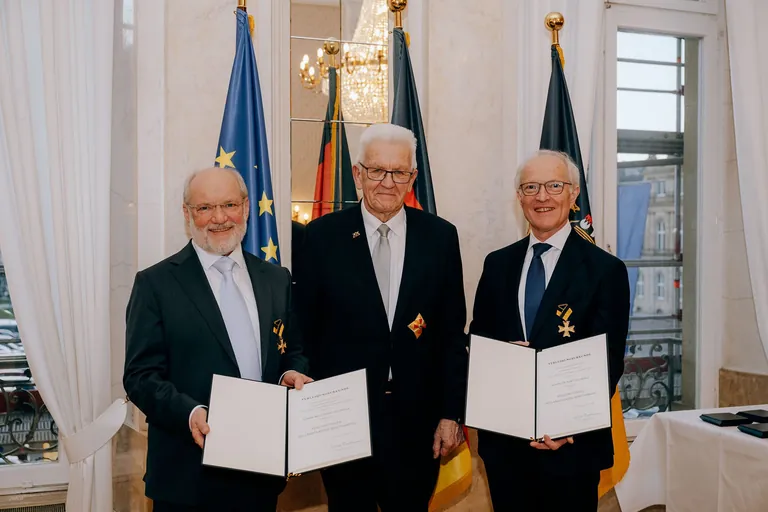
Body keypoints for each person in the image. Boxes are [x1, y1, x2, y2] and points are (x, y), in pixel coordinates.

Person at [298, 123, 468, 511]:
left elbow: (450, 335)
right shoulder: (321, 237)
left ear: (413, 177)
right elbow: (304, 331)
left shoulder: (441, 237)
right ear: (358, 173)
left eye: (399, 172)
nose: (387, 182)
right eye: (377, 170)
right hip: (343, 420)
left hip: (417, 422)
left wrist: (450, 413)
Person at [123, 167, 311, 511]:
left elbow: (292, 352)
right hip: (187, 478)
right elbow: (139, 376)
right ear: (187, 213)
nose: (219, 218)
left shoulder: (276, 279)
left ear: (246, 207)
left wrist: (290, 375)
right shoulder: (155, 284)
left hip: (261, 473)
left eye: (228, 205)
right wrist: (190, 412)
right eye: (204, 208)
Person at [470, 150, 629, 511]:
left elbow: (608, 360)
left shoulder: (605, 270)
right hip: (506, 444)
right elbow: (477, 340)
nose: (542, 197)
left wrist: (566, 423)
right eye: (530, 187)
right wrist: (501, 356)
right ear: (519, 198)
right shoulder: (497, 264)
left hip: (571, 447)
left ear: (573, 195)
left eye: (554, 186)